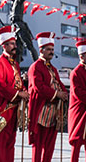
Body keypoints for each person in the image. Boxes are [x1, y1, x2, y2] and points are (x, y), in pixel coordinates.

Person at [0, 25, 29, 162]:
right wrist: (18, 95)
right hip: (2, 109)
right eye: (11, 44)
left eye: (14, 43)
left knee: (11, 143)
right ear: (4, 46)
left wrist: (24, 91)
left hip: (14, 110)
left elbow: (18, 83)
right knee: (1, 145)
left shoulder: (15, 64)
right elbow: (0, 85)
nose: (14, 46)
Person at [28, 32, 68, 162]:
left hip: (54, 113)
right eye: (48, 49)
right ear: (41, 50)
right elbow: (38, 87)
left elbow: (60, 84)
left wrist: (65, 93)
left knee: (50, 147)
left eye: (52, 49)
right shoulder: (35, 67)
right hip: (40, 111)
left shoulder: (53, 69)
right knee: (38, 146)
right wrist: (57, 94)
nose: (51, 52)